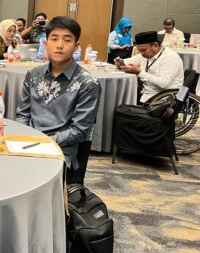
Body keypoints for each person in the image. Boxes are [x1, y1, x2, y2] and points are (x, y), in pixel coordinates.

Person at [16, 16, 101, 183]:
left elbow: (79, 130)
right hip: (28, 143)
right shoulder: (33, 74)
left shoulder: (88, 83)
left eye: (67, 40)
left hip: (61, 150)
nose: (60, 45)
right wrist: (24, 138)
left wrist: (43, 144)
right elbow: (23, 114)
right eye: (54, 39)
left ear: (76, 46)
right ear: (45, 43)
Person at [118, 31, 184, 103]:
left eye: (143, 50)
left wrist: (139, 72)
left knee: (123, 103)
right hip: (146, 94)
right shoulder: (145, 54)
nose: (141, 53)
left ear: (155, 45)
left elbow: (163, 84)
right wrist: (119, 63)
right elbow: (127, 62)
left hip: (163, 99)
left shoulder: (170, 57)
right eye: (139, 51)